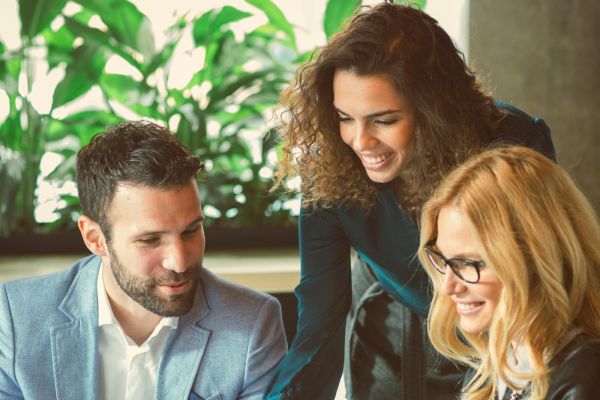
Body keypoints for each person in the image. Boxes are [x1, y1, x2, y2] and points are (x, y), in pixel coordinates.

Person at [265, 3, 556, 400]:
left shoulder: (514, 142)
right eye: (344, 117)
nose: (360, 142)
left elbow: (545, 286)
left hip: (506, 330)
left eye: (383, 120)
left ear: (434, 110)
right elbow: (319, 327)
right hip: (394, 326)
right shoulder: (327, 173)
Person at [0, 121, 287, 400]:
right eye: (150, 240)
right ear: (95, 238)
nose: (179, 262)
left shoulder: (252, 324)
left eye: (190, 231)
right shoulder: (16, 320)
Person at [418, 146, 600, 400]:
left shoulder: (584, 383)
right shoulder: (494, 369)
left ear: (535, 259)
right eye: (444, 261)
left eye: (468, 263)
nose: (448, 287)